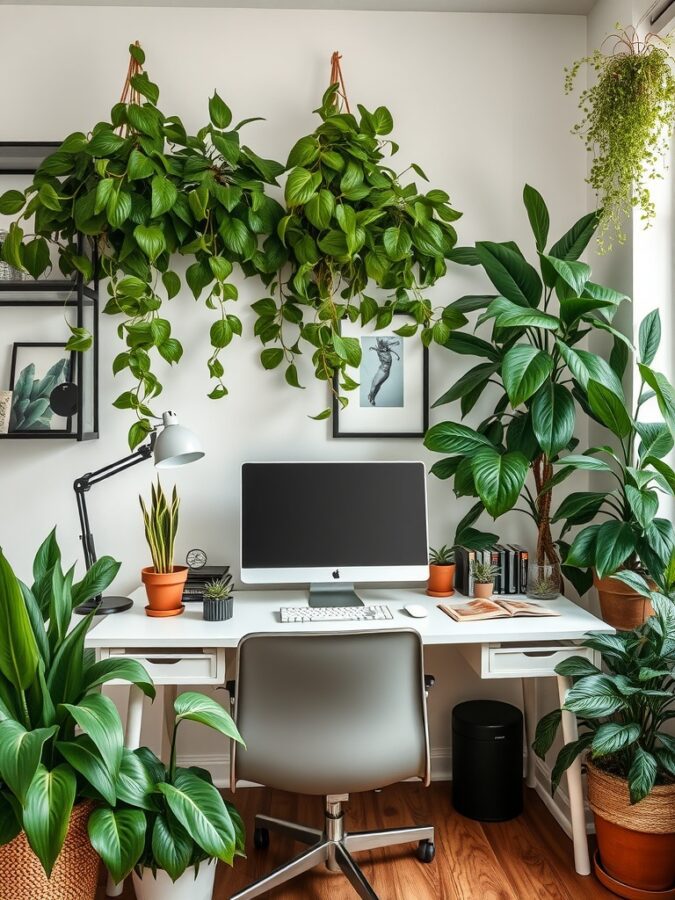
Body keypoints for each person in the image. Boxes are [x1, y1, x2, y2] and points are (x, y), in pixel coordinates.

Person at [367, 337, 400, 406]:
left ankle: (372, 397)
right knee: (375, 385)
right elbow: (380, 348)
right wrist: (373, 348)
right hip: (383, 371)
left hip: (386, 372)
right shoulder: (380, 350)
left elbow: (392, 349)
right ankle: (371, 397)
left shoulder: (386, 349)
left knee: (378, 385)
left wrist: (397, 356)